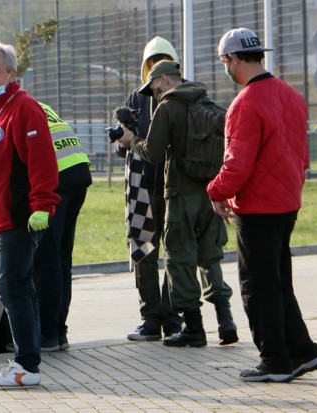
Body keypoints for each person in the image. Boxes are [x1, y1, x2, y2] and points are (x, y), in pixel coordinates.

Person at [208, 28, 317, 382]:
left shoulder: (243, 104)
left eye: (224, 62)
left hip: (257, 207)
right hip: (287, 202)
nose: (225, 68)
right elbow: (303, 154)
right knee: (279, 284)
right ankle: (302, 352)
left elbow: (237, 162)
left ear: (232, 60)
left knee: (257, 287)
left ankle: (274, 361)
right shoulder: (292, 95)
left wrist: (216, 191)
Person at [117, 38, 237, 346]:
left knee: (177, 258)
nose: (153, 91)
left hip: (178, 195)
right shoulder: (205, 101)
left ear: (164, 79)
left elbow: (153, 153)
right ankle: (225, 319)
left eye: (155, 83)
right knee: (209, 257)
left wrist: (132, 141)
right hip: (208, 193)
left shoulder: (169, 106)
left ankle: (191, 326)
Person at [0, 81, 92, 353]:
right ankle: (58, 332)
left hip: (56, 178)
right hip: (78, 170)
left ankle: (48, 335)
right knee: (61, 260)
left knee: (46, 262)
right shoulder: (31, 103)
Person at [0, 42, 60, 387]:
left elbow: (42, 163)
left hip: (20, 217)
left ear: (12, 73)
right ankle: (28, 361)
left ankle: (26, 365)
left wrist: (41, 206)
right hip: (1, 220)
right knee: (19, 287)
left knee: (11, 287)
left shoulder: (23, 108)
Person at [114, 36, 183, 341]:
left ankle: (174, 316)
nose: (157, 73)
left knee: (179, 252)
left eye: (162, 63)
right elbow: (124, 147)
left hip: (175, 185)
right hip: (142, 186)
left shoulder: (184, 96)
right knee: (144, 251)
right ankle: (150, 318)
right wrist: (122, 138)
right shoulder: (136, 97)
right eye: (152, 65)